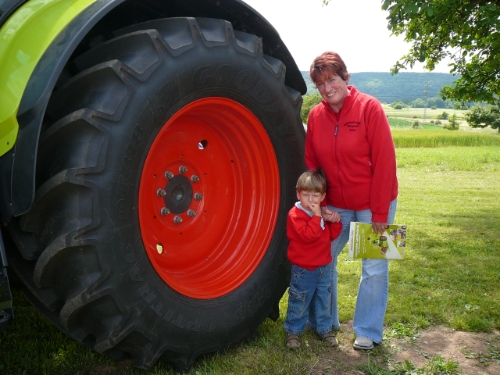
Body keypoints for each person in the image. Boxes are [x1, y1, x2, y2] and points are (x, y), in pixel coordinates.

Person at [305, 51, 398, 350]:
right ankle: (324, 321)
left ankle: (367, 331)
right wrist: (323, 204)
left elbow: (385, 161)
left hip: (375, 202)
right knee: (321, 256)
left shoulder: (369, 108)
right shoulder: (316, 116)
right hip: (337, 205)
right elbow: (311, 165)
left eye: (331, 79)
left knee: (374, 265)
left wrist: (381, 212)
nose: (327, 88)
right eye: (320, 84)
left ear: (345, 77)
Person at [284, 169, 342, 349]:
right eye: (306, 195)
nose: (311, 200)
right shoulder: (295, 215)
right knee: (300, 299)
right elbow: (308, 235)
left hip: (323, 265)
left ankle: (324, 328)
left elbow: (330, 235)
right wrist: (318, 217)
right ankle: (293, 330)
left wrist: (335, 220)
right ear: (298, 194)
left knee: (323, 297)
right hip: (304, 269)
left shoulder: (319, 214)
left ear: (323, 196)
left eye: (315, 196)